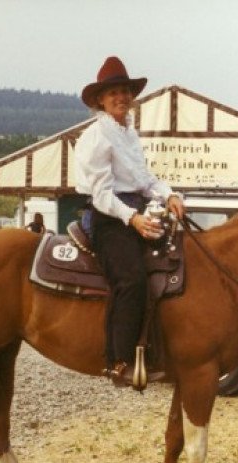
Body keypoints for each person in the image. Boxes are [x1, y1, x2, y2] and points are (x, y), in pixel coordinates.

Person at [75, 56, 185, 386]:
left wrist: (170, 195)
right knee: (132, 278)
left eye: (125, 92)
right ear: (100, 101)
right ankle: (118, 358)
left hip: (136, 210)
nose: (121, 98)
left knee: (172, 263)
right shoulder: (97, 137)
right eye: (113, 94)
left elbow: (145, 179)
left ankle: (159, 346)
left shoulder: (128, 133)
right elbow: (102, 196)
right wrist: (133, 220)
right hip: (110, 217)